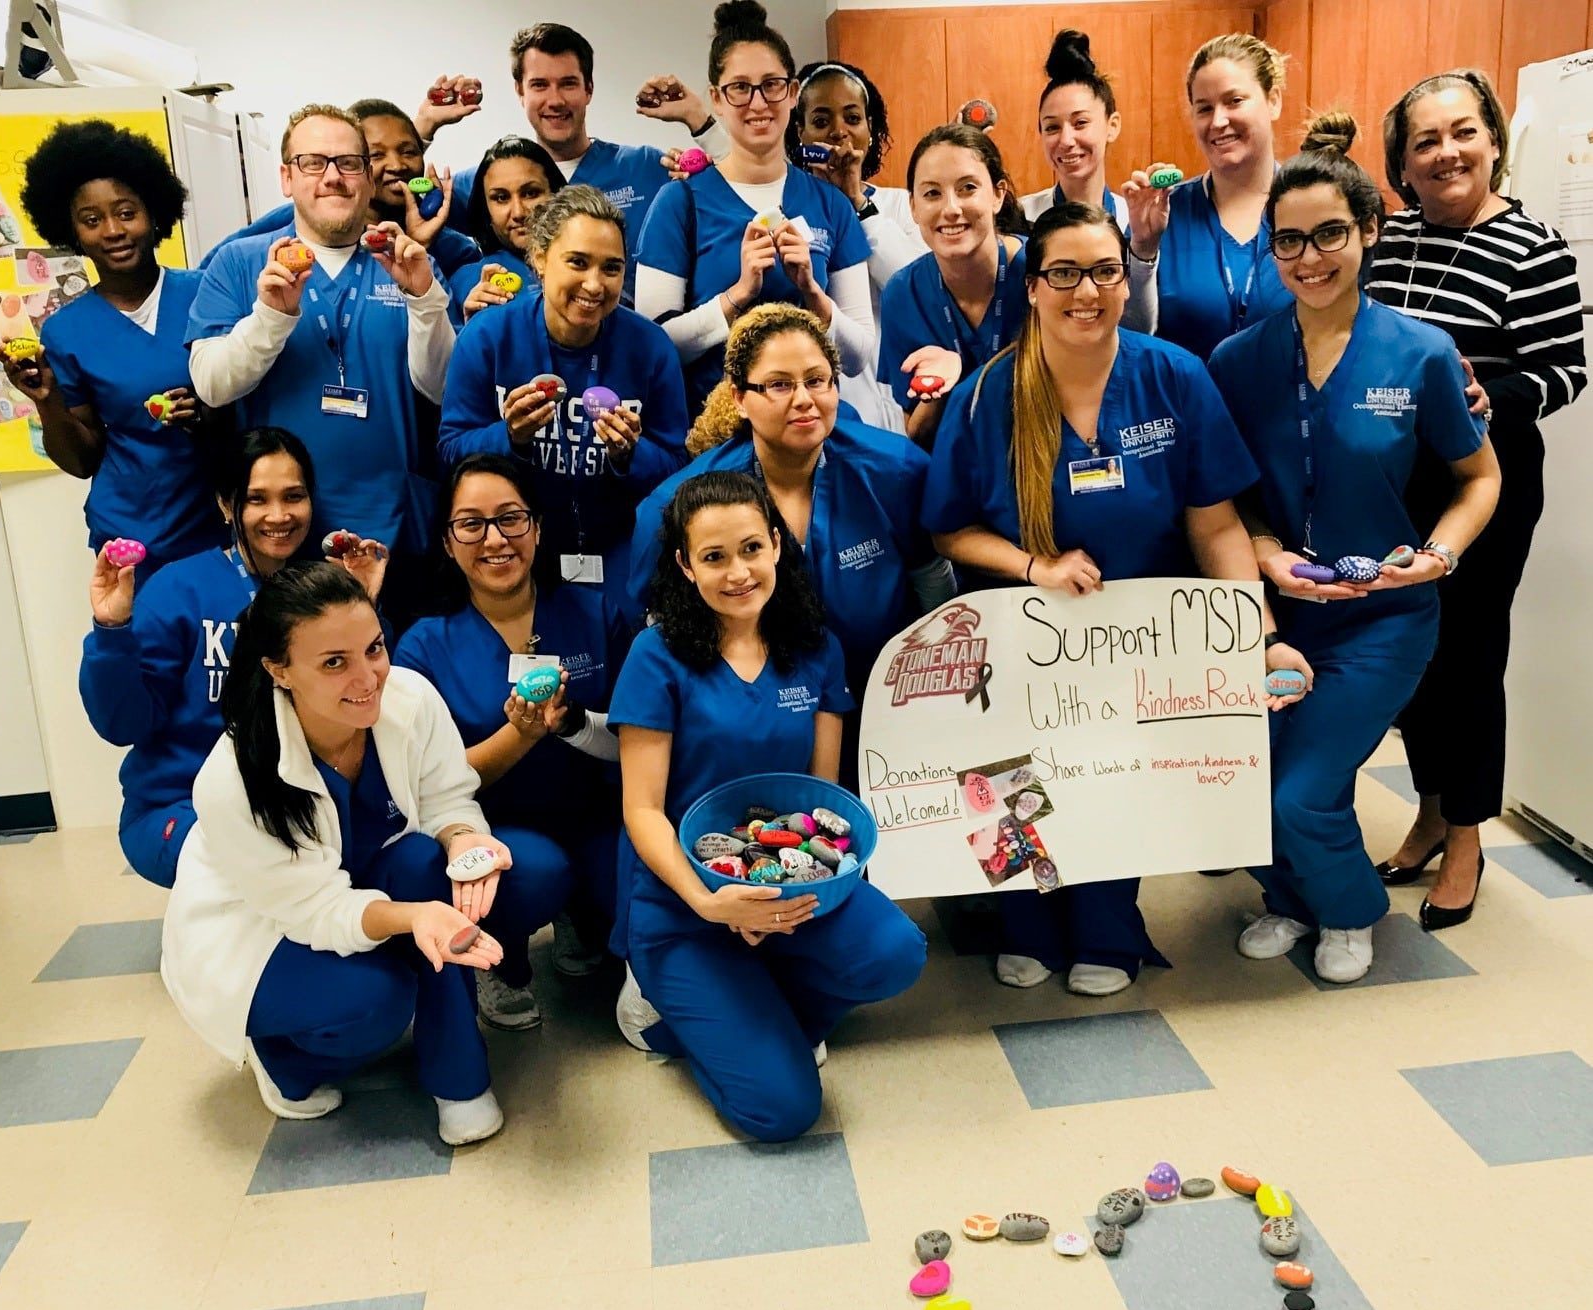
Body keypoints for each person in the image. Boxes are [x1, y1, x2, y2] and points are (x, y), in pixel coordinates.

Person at [922, 202, 1305, 995]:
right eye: (1063, 273)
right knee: (1022, 781)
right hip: (1021, 641)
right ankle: (1027, 921)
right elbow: (947, 531)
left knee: (1107, 781)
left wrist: (1255, 633)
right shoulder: (987, 395)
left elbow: (1217, 526)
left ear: (1125, 283)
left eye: (1103, 271)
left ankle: (1104, 927)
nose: (1085, 291)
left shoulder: (1173, 377)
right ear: (1031, 288)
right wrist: (1036, 567)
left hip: (1136, 643)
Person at [1211, 114, 1501, 980]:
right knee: (1244, 781)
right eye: (1288, 240)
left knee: (1300, 791)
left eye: (1329, 233)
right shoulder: (1236, 360)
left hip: (1384, 619)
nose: (1309, 258)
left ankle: (1347, 909)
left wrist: (1440, 555)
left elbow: (1478, 479)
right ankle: (1287, 899)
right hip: (1277, 615)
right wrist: (1262, 549)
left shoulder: (1420, 354)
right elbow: (1225, 500)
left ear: (1369, 230)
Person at [608, 470, 926, 1141]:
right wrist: (710, 904)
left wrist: (795, 902)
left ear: (777, 544)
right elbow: (642, 811)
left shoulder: (814, 647)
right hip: (685, 905)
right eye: (714, 557)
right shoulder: (655, 656)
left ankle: (758, 1005)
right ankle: (658, 1010)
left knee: (895, 952)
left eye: (751, 548)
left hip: (787, 887)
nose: (737, 573)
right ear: (683, 566)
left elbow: (821, 803)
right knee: (780, 1112)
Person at [160, 562, 508, 1147]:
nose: (369, 677)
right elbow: (314, 910)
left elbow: (449, 795)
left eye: (373, 648)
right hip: (258, 931)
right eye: (333, 663)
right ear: (279, 670)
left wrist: (464, 838)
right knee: (378, 998)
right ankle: (286, 1064)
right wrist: (414, 918)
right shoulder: (233, 777)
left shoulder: (409, 698)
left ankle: (459, 1080)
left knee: (428, 865)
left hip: (360, 881)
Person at [1368, 69, 1586, 929]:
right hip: (1396, 479)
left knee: (1466, 658)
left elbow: (1566, 370)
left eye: (1461, 132)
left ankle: (1466, 838)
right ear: (1404, 162)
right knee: (1412, 656)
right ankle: (1427, 808)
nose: (1445, 152)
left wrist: (1489, 391)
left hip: (1487, 477)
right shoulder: (1393, 240)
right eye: (1424, 141)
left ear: (1493, 140)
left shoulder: (1532, 246)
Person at [78, 428, 388, 887]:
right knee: (266, 870)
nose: (278, 515)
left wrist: (359, 606)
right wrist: (111, 631)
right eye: (257, 499)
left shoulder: (323, 594)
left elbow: (368, 705)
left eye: (293, 496)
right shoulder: (177, 589)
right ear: (227, 505)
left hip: (299, 803)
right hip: (183, 806)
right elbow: (122, 724)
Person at [395, 455, 624, 1026]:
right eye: (471, 524)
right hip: (494, 825)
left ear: (538, 529)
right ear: (448, 542)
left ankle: (584, 911)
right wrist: (519, 735)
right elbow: (424, 785)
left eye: (511, 518)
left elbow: (637, 732)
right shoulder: (424, 646)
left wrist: (572, 724)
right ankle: (503, 963)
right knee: (539, 872)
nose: (494, 539)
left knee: (629, 878)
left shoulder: (593, 610)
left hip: (594, 810)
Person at [623, 304, 953, 701]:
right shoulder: (681, 505)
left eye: (817, 380)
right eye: (779, 384)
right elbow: (658, 626)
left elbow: (936, 589)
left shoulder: (895, 471)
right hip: (753, 711)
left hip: (890, 696)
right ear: (740, 398)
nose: (803, 399)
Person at [186, 104, 456, 562]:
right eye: (313, 162)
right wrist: (270, 317)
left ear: (369, 177)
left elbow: (444, 388)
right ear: (287, 178)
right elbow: (211, 387)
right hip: (281, 531)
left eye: (349, 163)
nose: (333, 176)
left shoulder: (409, 263)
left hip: (393, 529)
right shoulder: (239, 264)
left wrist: (424, 302)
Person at [441, 185, 689, 600]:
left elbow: (679, 466)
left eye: (611, 268)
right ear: (539, 258)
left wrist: (630, 455)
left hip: (621, 554)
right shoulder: (488, 336)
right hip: (518, 551)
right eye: (578, 262)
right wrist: (510, 437)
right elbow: (449, 453)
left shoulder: (651, 347)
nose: (594, 285)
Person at [0, 119, 218, 575]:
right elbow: (82, 461)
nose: (113, 230)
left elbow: (257, 405)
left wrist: (207, 413)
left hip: (217, 522)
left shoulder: (206, 294)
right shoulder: (66, 331)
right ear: (72, 232)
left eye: (126, 212)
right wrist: (47, 402)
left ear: (154, 214)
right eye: (92, 220)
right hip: (131, 537)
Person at [635, 1, 875, 416]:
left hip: (811, 427)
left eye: (772, 85)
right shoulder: (680, 202)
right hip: (716, 435)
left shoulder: (831, 205)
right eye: (740, 88)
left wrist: (811, 292)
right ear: (716, 99)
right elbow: (651, 346)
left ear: (793, 93)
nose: (758, 102)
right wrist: (738, 295)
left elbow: (857, 358)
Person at [442, 24, 731, 303]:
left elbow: (745, 194)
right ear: (520, 91)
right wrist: (425, 128)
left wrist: (699, 121)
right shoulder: (490, 179)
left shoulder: (645, 167)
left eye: (568, 84)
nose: (555, 100)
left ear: (588, 89)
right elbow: (402, 206)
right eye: (539, 85)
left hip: (634, 343)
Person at [1122, 33, 1292, 361]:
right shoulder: (1164, 213)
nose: (1218, 121)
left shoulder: (1307, 210)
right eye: (1204, 108)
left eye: (1234, 101)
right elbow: (1131, 338)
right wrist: (1143, 248)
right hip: (1186, 408)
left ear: (1273, 100)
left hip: (1287, 409)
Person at [787, 59, 926, 430]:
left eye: (852, 118)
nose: (838, 132)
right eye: (821, 121)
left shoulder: (900, 204)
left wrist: (857, 203)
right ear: (799, 132)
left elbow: (916, 287)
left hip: (909, 400)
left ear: (870, 127)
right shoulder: (789, 209)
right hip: (834, 401)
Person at [200, 100, 480, 282]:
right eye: (376, 154)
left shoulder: (455, 249)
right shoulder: (296, 224)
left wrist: (419, 250)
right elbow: (209, 271)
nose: (397, 164)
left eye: (409, 151)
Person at [876, 125, 1031, 447]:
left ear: (998, 195)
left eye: (967, 188)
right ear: (914, 207)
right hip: (956, 476)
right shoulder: (904, 295)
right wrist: (940, 388)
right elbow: (916, 434)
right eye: (932, 193)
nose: (950, 209)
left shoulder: (1043, 271)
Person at [1019, 30, 1157, 330]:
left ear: (1112, 126)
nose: (1067, 140)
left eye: (1080, 123)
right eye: (1052, 128)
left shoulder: (1137, 219)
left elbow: (1143, 329)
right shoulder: (1019, 218)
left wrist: (1143, 249)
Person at [447, 135, 566, 325]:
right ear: (486, 209)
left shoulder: (591, 268)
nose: (518, 212)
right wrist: (473, 332)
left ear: (558, 194)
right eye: (501, 198)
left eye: (530, 193)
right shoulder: (465, 284)